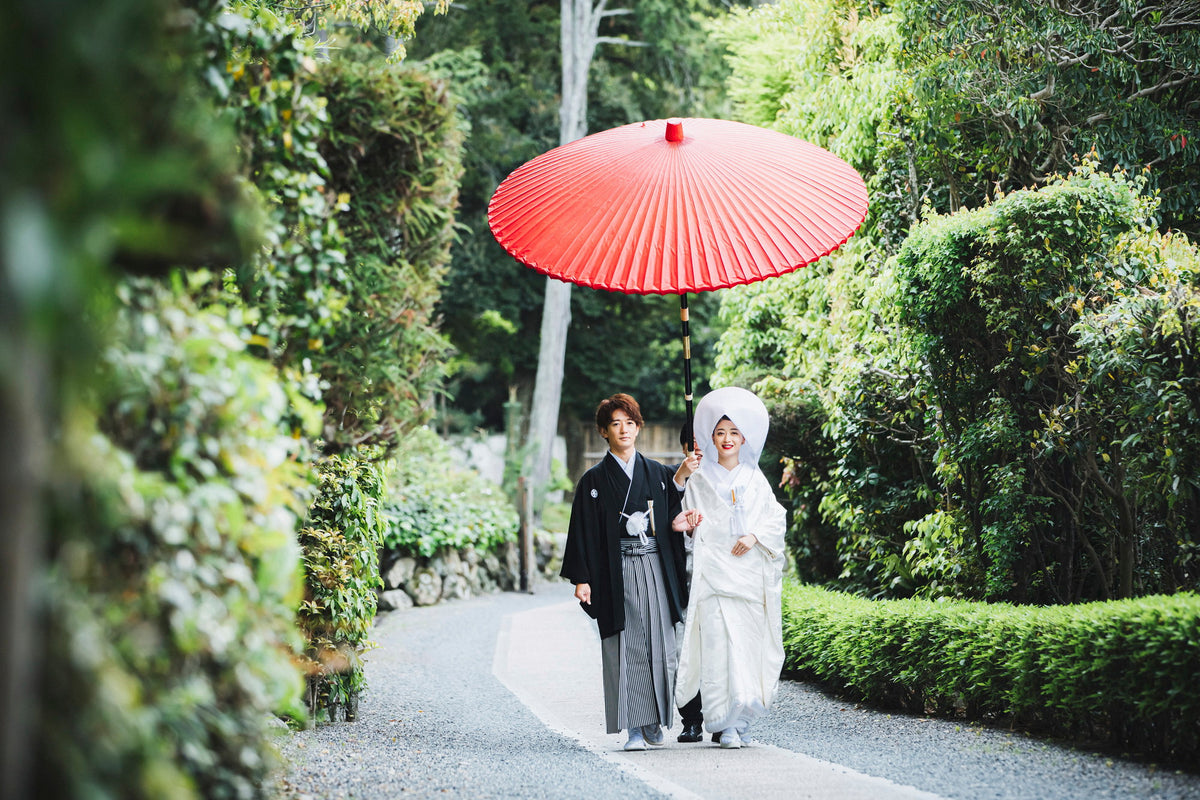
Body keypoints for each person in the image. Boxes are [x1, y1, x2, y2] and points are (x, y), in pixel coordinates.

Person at [560, 393, 691, 751]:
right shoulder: (594, 481)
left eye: (630, 423)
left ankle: (653, 720)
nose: (624, 430)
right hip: (617, 570)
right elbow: (582, 531)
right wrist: (582, 578)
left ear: (638, 427)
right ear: (604, 431)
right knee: (626, 645)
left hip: (655, 566)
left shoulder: (657, 473)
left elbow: (674, 502)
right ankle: (633, 726)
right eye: (615, 424)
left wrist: (682, 476)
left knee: (660, 645)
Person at [671, 386, 787, 750]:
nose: (726, 439)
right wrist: (689, 525)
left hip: (748, 575)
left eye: (734, 433)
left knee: (748, 649)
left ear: (743, 438)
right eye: (720, 432)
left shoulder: (756, 480)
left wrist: (754, 536)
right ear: (711, 437)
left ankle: (743, 720)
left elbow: (775, 520)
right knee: (719, 651)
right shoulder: (700, 479)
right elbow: (689, 524)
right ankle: (724, 723)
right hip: (713, 576)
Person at [670, 423, 706, 743]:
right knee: (686, 648)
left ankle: (722, 717)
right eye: (692, 444)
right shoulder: (675, 482)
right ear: (684, 448)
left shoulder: (728, 480)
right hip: (687, 575)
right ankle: (691, 718)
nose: (699, 449)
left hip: (720, 575)